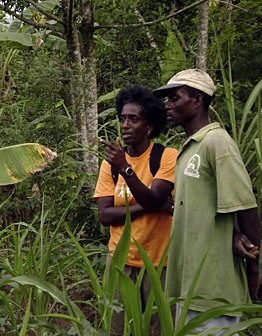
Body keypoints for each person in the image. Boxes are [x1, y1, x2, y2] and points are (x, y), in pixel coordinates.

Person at [153, 69, 262, 335]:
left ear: (197, 100)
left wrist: (253, 272)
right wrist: (232, 231)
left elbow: (245, 206)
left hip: (213, 290)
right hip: (188, 286)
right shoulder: (189, 147)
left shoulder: (217, 143)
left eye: (175, 98)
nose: (168, 105)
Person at [93, 84, 178, 335]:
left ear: (149, 125)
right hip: (120, 263)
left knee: (159, 330)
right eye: (122, 119)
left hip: (159, 264)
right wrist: (150, 206)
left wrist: (126, 169)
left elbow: (155, 196)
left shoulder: (166, 157)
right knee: (117, 330)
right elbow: (105, 216)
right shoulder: (109, 165)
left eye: (134, 119)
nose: (125, 125)